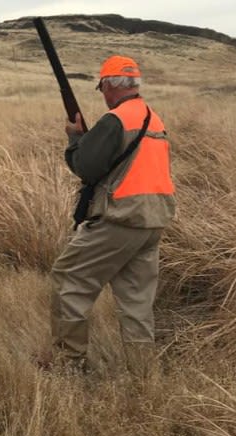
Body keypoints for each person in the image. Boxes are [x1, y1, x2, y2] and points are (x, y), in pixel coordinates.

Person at [49, 55, 176, 375]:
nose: (102, 93)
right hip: (152, 222)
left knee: (69, 279)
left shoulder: (116, 119)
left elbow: (86, 167)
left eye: (101, 86)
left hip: (120, 219)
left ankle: (68, 364)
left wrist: (76, 137)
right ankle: (143, 375)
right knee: (136, 303)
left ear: (108, 85)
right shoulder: (153, 118)